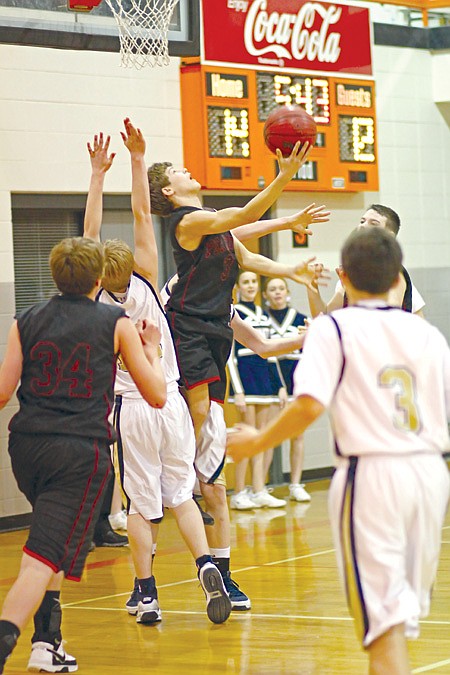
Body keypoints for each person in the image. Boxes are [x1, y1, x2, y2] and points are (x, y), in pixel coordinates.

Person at [227, 227, 450, 675]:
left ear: (342, 277)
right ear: (396, 280)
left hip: (372, 477)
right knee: (394, 623)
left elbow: (309, 403)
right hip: (430, 475)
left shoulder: (333, 326)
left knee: (382, 631)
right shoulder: (427, 334)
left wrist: (256, 441)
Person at [148, 143, 330, 610]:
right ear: (169, 190)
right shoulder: (185, 222)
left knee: (213, 426)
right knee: (200, 410)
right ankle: (180, 472)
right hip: (185, 324)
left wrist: (291, 266)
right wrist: (285, 175)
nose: (191, 170)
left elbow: (247, 250)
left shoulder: (216, 227)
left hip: (215, 328)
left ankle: (221, 565)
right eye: (180, 169)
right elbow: (245, 211)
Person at [83, 120, 232, 625]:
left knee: (140, 508)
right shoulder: (147, 277)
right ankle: (206, 563)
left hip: (132, 408)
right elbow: (143, 210)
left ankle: (146, 594)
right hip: (170, 400)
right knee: (182, 496)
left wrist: (95, 177)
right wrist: (136, 159)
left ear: (97, 274)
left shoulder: (95, 299)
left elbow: (89, 235)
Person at [0, 236, 167, 674]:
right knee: (40, 558)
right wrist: (150, 351)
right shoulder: (116, 321)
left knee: (50, 542)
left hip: (26, 448)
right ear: (99, 280)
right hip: (77, 452)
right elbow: (156, 394)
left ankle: (47, 643)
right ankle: (6, 642)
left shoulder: (25, 319)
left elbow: (2, 393)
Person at [228, 270, 287, 510]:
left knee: (261, 438)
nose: (250, 286)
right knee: (246, 436)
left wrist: (280, 386)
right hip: (246, 380)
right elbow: (229, 355)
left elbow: (271, 353)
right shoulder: (235, 312)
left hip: (265, 383)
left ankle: (258, 489)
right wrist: (237, 390)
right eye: (246, 282)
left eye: (254, 282)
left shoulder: (264, 314)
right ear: (238, 287)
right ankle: (239, 492)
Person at [307, 204, 426, 318]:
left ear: (388, 236)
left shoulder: (394, 273)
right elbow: (324, 317)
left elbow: (387, 320)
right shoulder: (353, 272)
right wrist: (311, 284)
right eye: (362, 221)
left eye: (373, 223)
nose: (362, 226)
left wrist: (353, 292)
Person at [263, 277, 311, 503]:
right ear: (266, 295)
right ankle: (259, 487)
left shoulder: (301, 319)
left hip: (296, 382)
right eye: (272, 289)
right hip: (272, 383)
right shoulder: (261, 319)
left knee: (298, 435)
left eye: (281, 288)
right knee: (270, 435)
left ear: (288, 292)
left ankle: (295, 484)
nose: (277, 292)